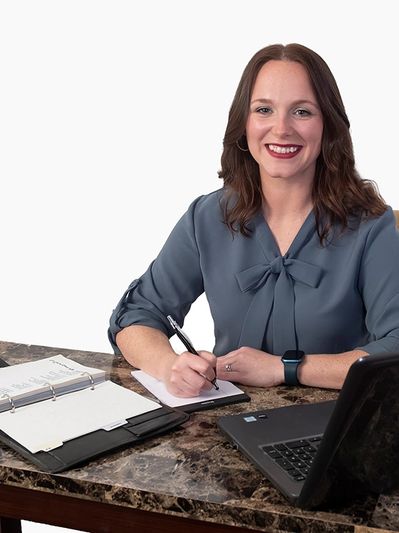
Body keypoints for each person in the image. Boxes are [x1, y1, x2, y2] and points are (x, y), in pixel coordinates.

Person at [109, 43, 399, 398]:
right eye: (264, 109)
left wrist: (283, 368)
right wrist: (170, 366)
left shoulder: (372, 225)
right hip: (234, 420)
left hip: (341, 425)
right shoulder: (207, 217)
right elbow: (137, 314)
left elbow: (396, 348)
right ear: (243, 124)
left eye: (302, 112)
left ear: (328, 125)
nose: (281, 129)